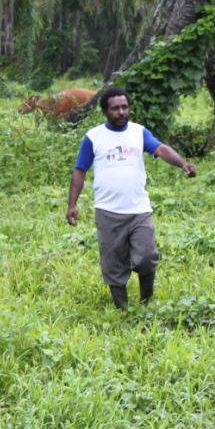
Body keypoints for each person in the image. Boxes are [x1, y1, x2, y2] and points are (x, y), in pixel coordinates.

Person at [66, 87, 196, 309]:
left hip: (139, 211)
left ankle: (146, 303)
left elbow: (161, 149)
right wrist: (72, 205)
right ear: (105, 112)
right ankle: (122, 310)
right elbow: (80, 170)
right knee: (113, 264)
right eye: (115, 108)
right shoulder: (93, 137)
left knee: (146, 256)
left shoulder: (139, 132)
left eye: (124, 107)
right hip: (108, 211)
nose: (121, 112)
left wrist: (182, 163)